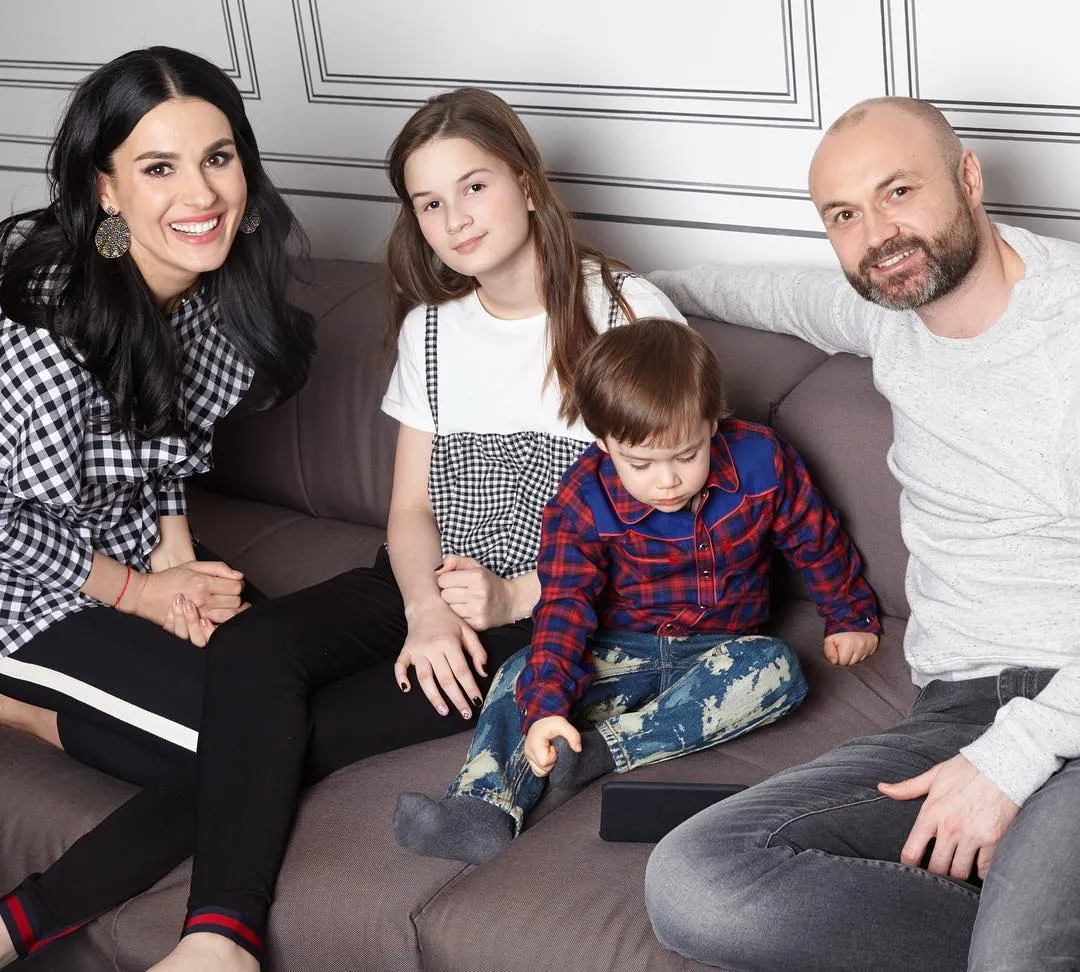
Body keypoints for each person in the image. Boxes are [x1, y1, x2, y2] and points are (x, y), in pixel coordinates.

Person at [116, 87, 680, 972]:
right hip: (426, 581)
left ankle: (186, 933)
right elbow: (410, 509)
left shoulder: (627, 314)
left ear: (527, 183)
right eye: (429, 203)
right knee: (252, 649)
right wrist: (424, 608)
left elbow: (678, 515)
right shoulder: (433, 331)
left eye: (474, 186)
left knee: (297, 735)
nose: (456, 220)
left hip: (555, 612)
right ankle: (202, 941)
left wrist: (514, 596)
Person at [643, 96, 1080, 971]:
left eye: (898, 192)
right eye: (843, 215)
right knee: (692, 883)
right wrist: (635, 286)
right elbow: (766, 293)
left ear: (968, 178)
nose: (877, 235)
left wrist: (1015, 759)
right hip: (952, 710)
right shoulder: (891, 314)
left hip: (1069, 712)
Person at [0, 45, 315, 967]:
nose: (201, 194)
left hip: (129, 552)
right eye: (159, 168)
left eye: (218, 158)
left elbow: (166, 439)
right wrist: (141, 593)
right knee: (243, 746)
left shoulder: (208, 292)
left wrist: (177, 553)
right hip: (21, 591)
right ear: (106, 191)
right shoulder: (46, 324)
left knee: (289, 696)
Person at [393, 317, 881, 864]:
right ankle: (479, 808)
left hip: (719, 651)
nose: (667, 481)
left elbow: (815, 537)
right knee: (521, 672)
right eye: (641, 463)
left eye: (687, 456)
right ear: (604, 442)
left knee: (778, 668)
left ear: (713, 423)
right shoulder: (581, 500)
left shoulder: (762, 459)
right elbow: (564, 607)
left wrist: (849, 615)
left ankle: (602, 751)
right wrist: (548, 707)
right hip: (621, 647)